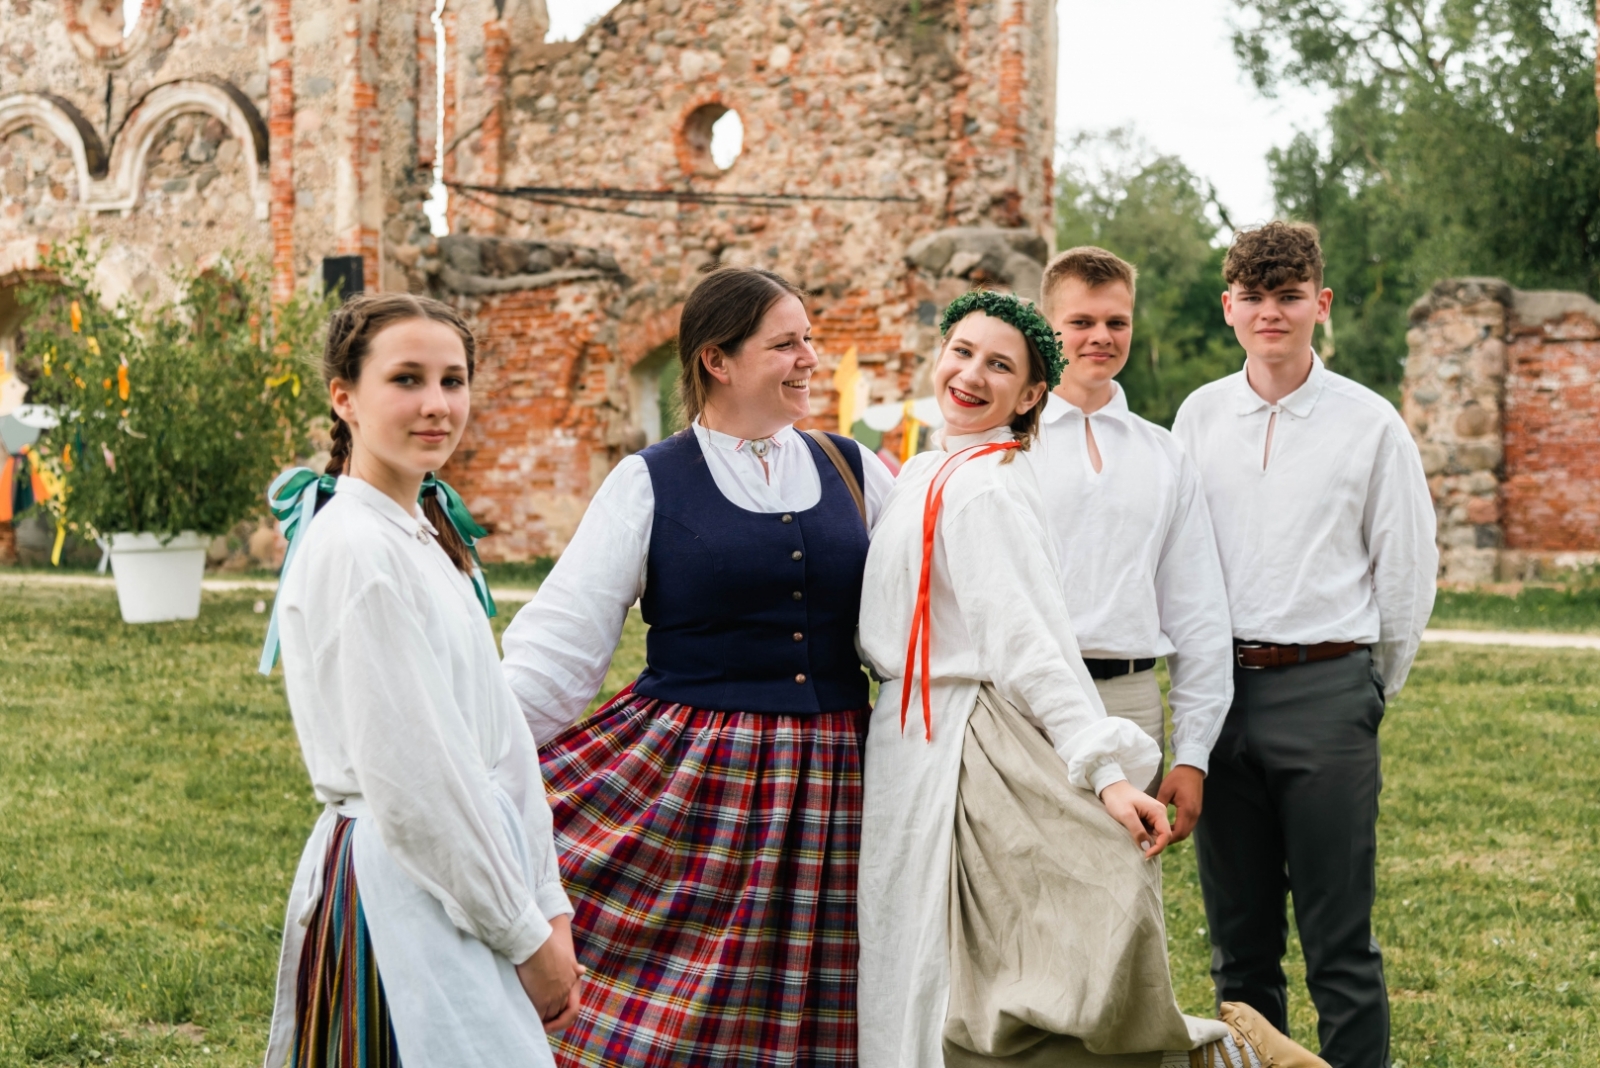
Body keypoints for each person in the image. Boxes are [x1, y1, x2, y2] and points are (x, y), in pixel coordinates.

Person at [856, 289, 1327, 1068]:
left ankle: (1221, 1057)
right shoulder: (927, 470)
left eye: (1000, 366)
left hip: (971, 742)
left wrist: (1104, 774)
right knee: (929, 964)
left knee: (1023, 968)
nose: (972, 375)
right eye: (963, 352)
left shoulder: (989, 487)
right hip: (909, 739)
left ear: (1033, 393)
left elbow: (1033, 642)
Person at [500, 266, 896, 1068]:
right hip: (692, 781)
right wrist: (478, 755)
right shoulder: (650, 482)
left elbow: (935, 605)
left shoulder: (854, 468)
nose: (809, 359)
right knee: (689, 1007)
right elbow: (561, 645)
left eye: (809, 340)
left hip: (840, 775)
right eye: (785, 344)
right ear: (718, 361)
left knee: (827, 992)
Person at [260, 293, 583, 1068]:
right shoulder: (357, 553)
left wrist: (548, 904)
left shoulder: (420, 538)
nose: (436, 405)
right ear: (345, 397)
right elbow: (417, 785)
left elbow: (500, 746)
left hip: (467, 874)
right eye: (406, 379)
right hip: (404, 886)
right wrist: (523, 933)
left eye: (453, 380)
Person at [1172, 221, 1438, 1068]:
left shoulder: (1370, 423)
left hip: (1327, 687)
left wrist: (1365, 690)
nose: (1270, 314)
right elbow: (1179, 557)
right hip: (1221, 695)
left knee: (1339, 940)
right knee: (1239, 945)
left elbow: (1406, 575)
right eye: (1253, 298)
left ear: (1318, 304)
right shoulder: (1199, 416)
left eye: (1288, 297)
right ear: (1229, 308)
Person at [1033, 247, 1232, 822]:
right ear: (1048, 330)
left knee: (1124, 888)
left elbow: (1197, 607)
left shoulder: (1164, 454)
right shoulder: (1008, 445)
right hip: (1026, 703)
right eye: (1081, 322)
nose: (1101, 336)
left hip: (1131, 700)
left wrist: (1193, 753)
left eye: (1116, 322)